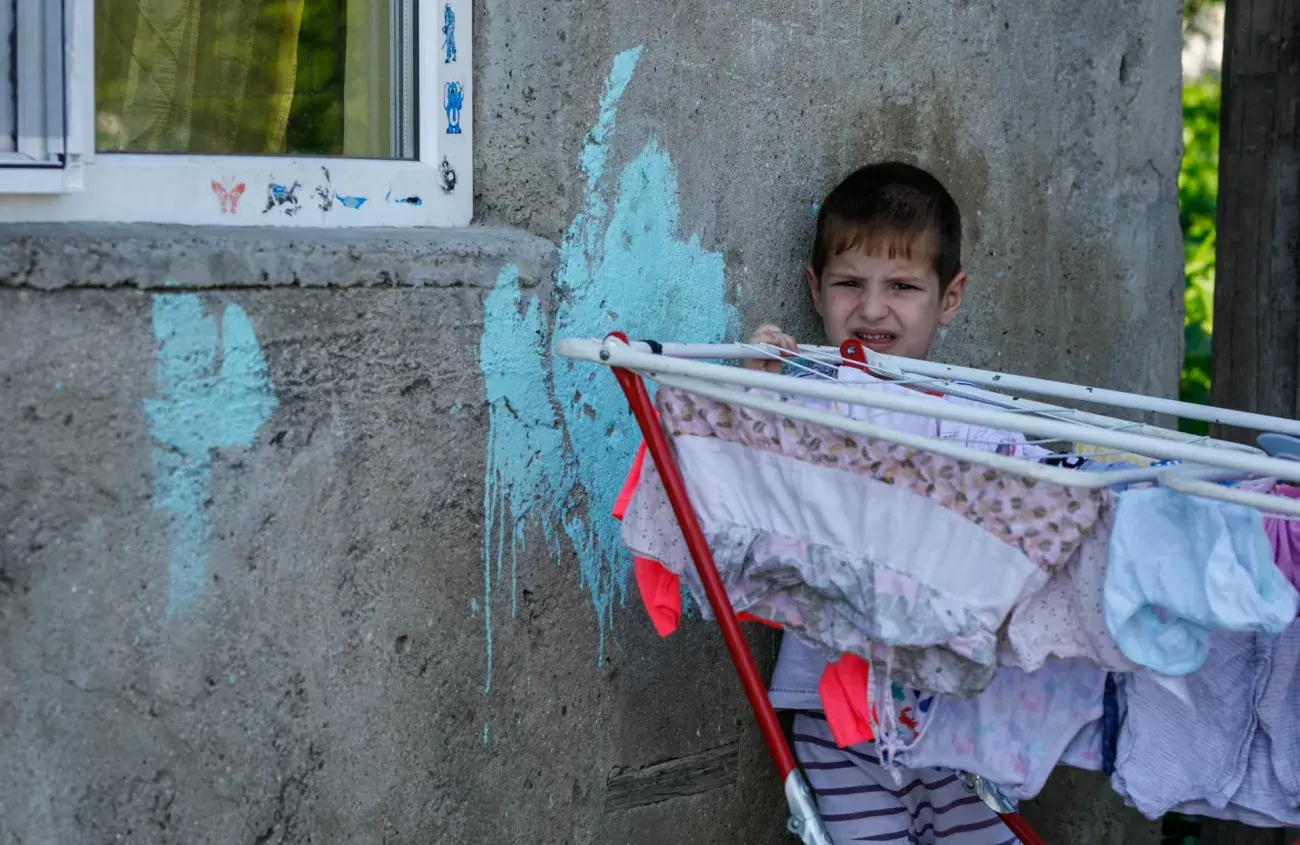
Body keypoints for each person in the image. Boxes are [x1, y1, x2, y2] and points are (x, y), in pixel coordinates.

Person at [749, 161, 1021, 844]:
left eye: (901, 286)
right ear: (815, 288)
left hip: (961, 709)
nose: (872, 309)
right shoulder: (806, 398)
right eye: (850, 283)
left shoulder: (980, 419)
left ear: (949, 297)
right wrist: (759, 389)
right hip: (834, 711)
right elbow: (748, 478)